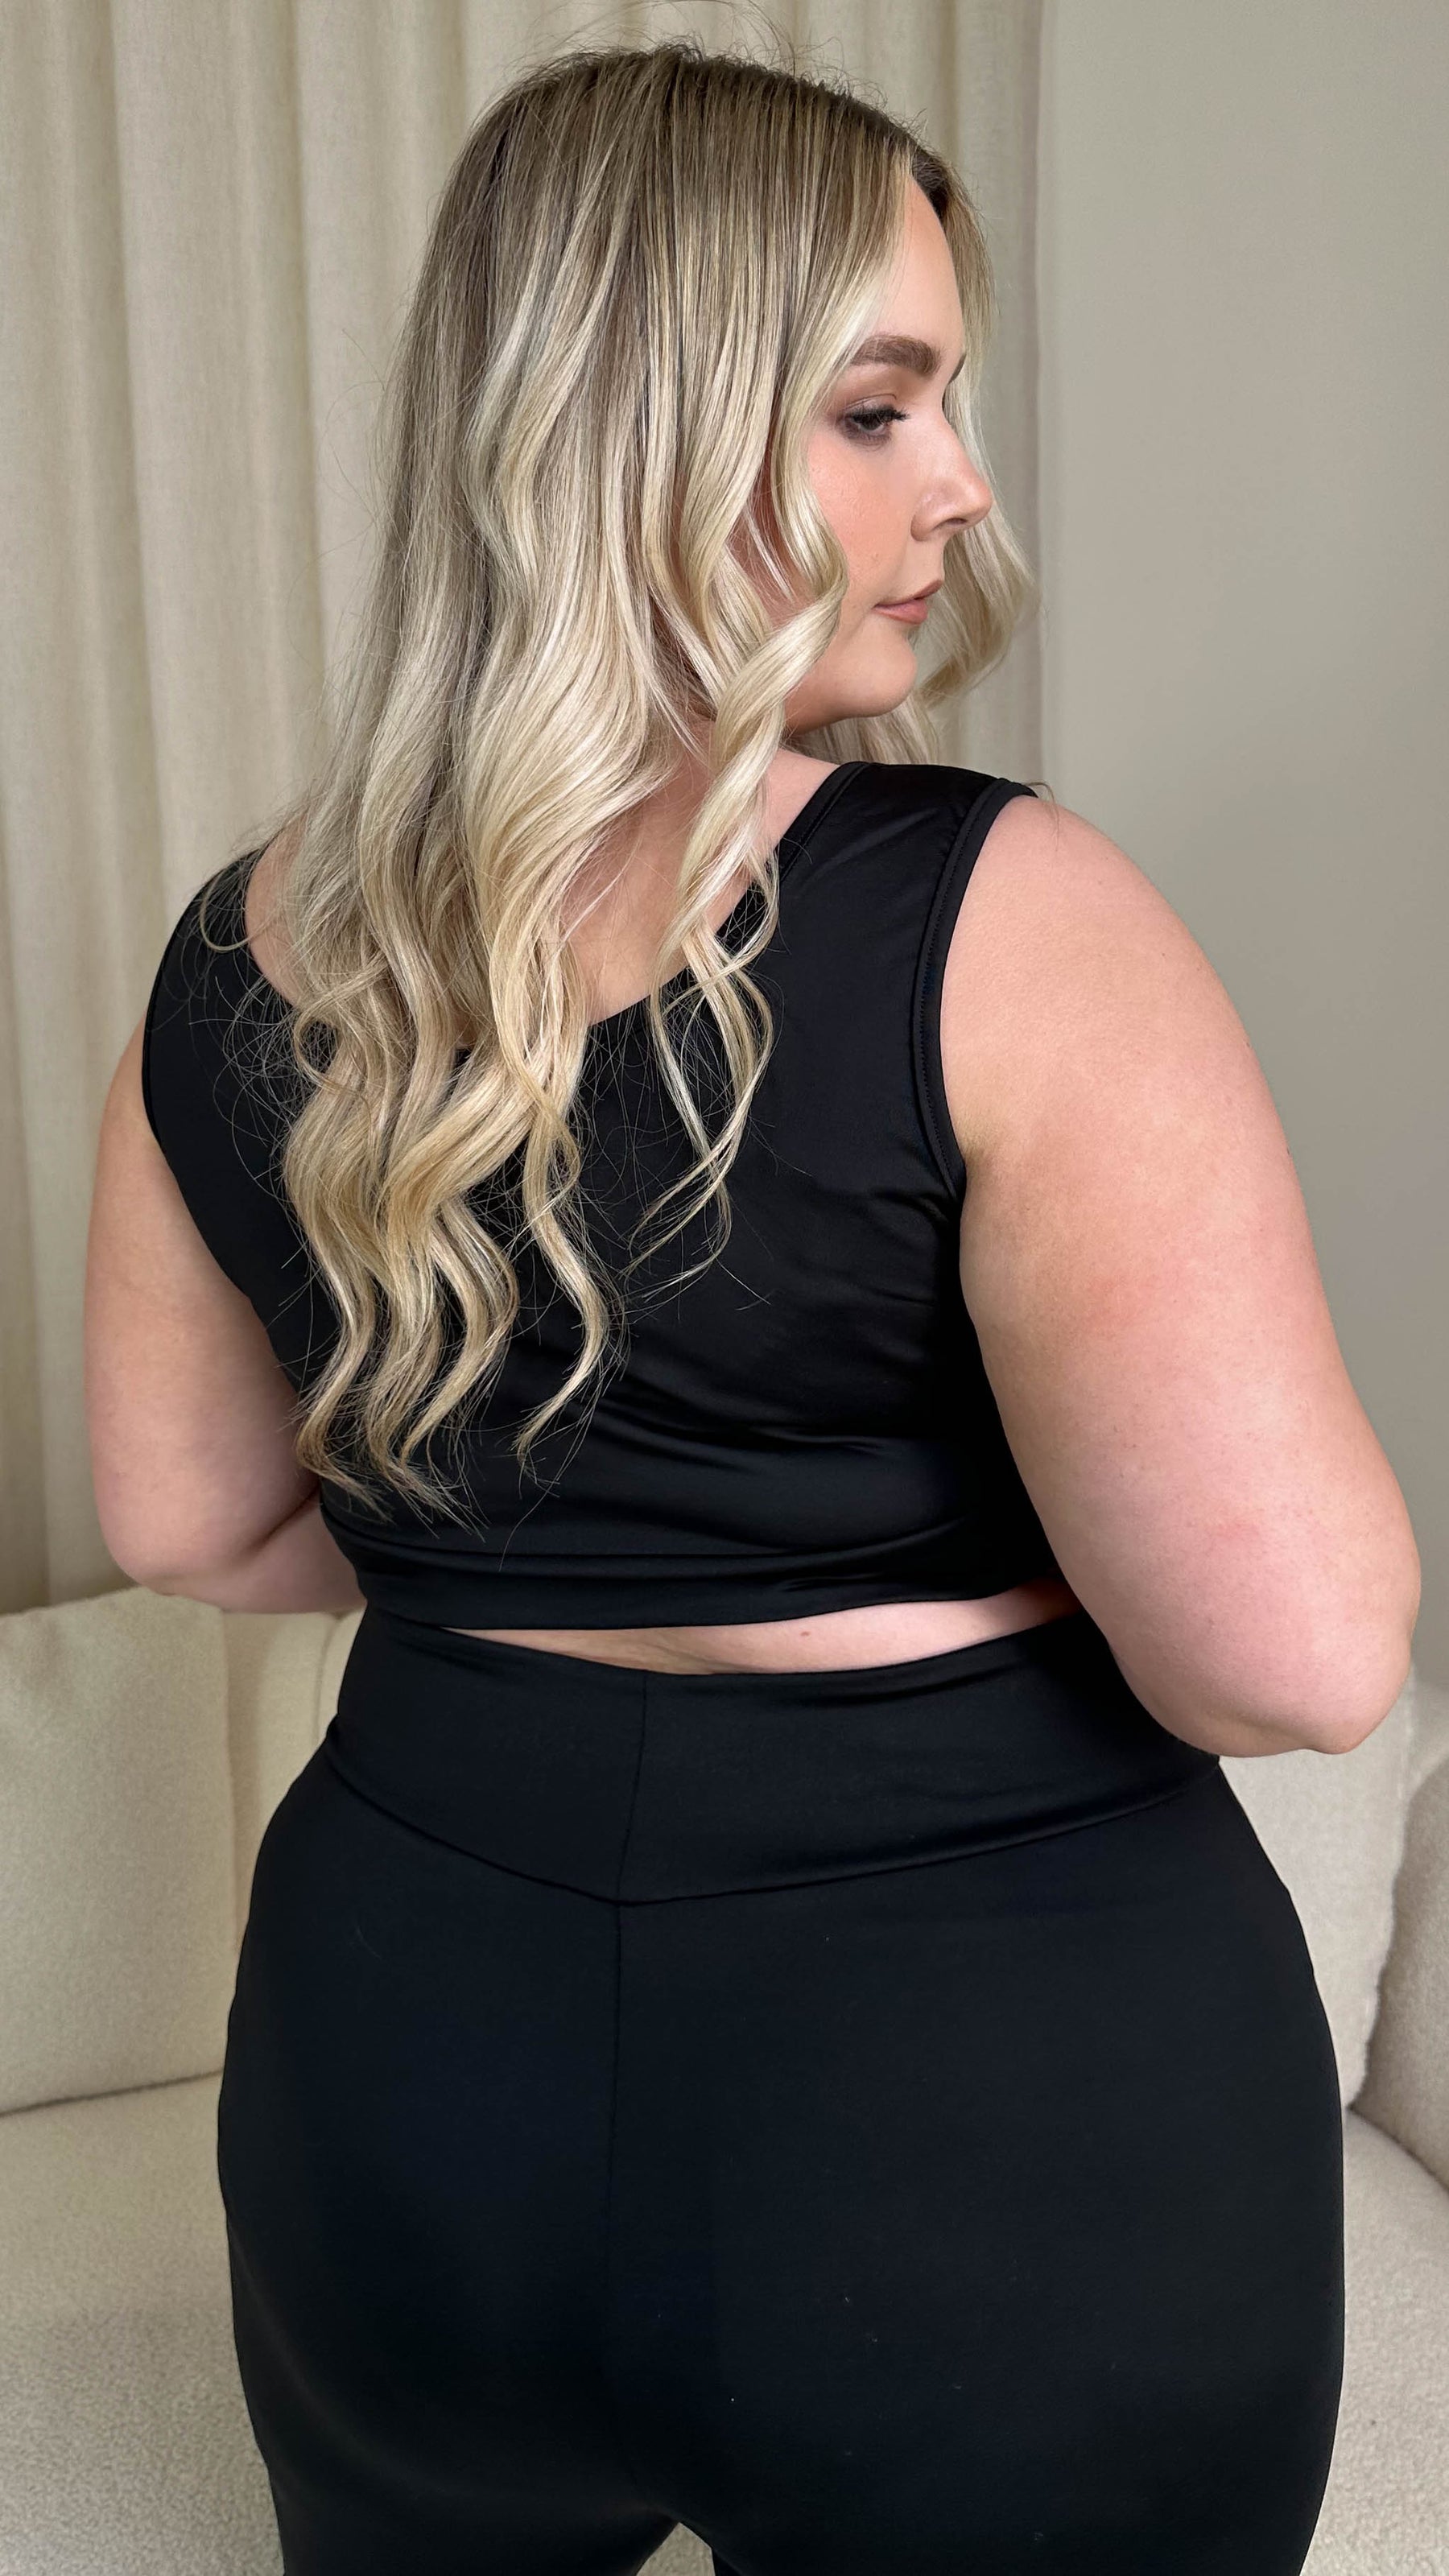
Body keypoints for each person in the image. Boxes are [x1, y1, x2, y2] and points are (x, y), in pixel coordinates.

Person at [85, 36, 1419, 2576]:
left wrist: (554, 1553)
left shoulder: (231, 951)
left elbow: (189, 1519)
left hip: (404, 2086)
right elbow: (1302, 1651)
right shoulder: (1011, 919)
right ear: (624, 427)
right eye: (877, 407)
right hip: (983, 2122)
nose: (964, 488)